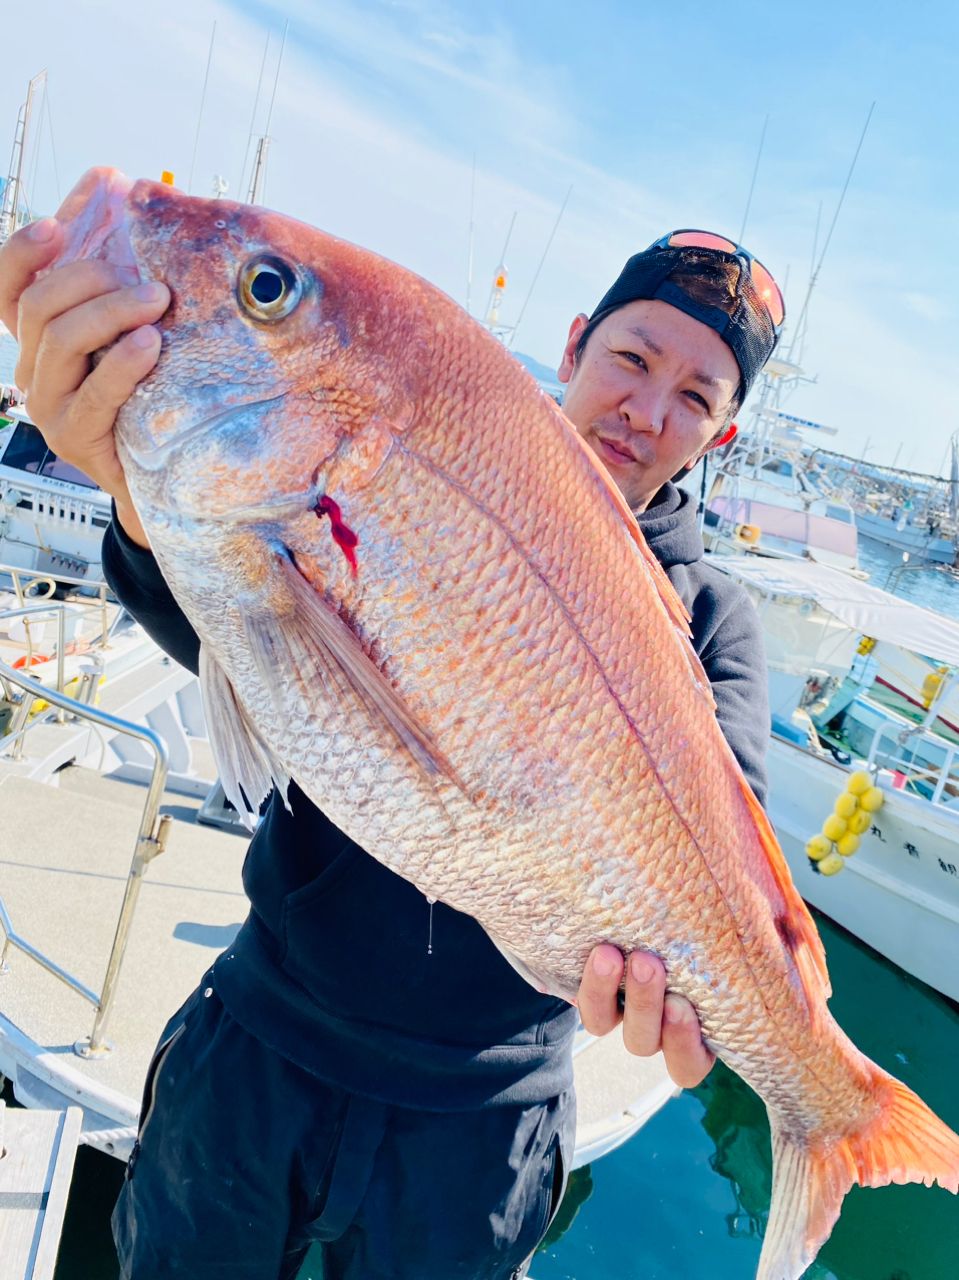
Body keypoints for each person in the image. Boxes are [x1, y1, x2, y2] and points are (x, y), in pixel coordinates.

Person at [0, 218, 778, 1279]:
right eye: (632, 359)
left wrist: (690, 980)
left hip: (484, 1118)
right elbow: (232, 631)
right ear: (572, 344)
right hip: (264, 1034)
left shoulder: (710, 617)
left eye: (694, 396)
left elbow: (720, 849)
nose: (646, 411)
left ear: (720, 436)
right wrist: (137, 499)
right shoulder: (425, 458)